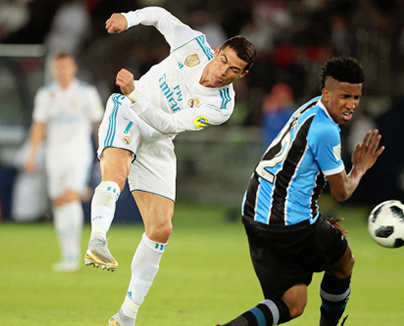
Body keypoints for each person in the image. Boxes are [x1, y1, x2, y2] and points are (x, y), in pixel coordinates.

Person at [82, 6, 256, 326]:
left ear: (241, 75)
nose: (223, 72)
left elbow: (168, 123)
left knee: (161, 228)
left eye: (234, 70)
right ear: (216, 52)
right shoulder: (193, 44)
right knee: (117, 174)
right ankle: (98, 239)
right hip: (126, 114)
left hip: (157, 136)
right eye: (223, 61)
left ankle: (126, 316)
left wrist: (136, 93)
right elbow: (161, 15)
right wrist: (128, 18)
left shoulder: (220, 106)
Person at [217, 56, 384, 326]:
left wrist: (313, 217)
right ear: (326, 93)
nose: (351, 104)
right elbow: (341, 194)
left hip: (255, 213)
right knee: (344, 263)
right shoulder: (327, 130)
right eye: (344, 96)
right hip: (288, 222)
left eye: (356, 97)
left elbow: (293, 171)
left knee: (292, 303)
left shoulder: (308, 109)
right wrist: (360, 168)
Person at [25, 51, 103, 272]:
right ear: (53, 69)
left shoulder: (87, 93)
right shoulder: (45, 94)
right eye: (58, 67)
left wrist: (103, 153)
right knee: (59, 201)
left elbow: (99, 125)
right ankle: (66, 252)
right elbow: (38, 126)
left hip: (78, 153)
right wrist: (32, 154)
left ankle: (74, 254)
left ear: (73, 68)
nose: (62, 72)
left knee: (70, 197)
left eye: (66, 67)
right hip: (54, 155)